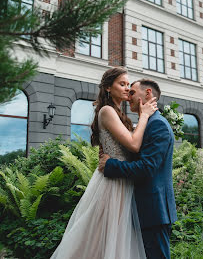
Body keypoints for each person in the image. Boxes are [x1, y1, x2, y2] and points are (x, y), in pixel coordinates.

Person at [51, 67, 157, 259]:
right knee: (102, 237)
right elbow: (133, 144)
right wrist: (144, 116)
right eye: (122, 84)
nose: (127, 89)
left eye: (128, 84)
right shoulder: (107, 111)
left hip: (122, 179)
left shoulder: (119, 112)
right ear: (108, 87)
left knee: (115, 239)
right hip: (112, 183)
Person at [99, 79, 178, 259]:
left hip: (153, 211)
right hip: (143, 209)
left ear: (148, 93)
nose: (129, 97)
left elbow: (146, 169)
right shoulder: (147, 124)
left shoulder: (157, 125)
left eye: (133, 92)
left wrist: (111, 165)